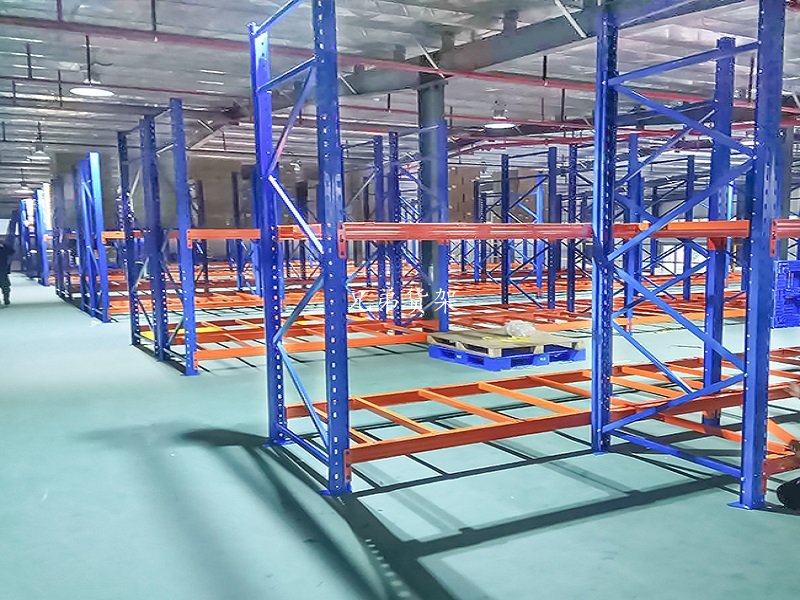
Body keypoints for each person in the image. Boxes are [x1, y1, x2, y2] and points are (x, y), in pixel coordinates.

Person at [0, 239, 13, 306]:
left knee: (5, 285)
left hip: (2, 268)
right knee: (5, 285)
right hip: (3, 268)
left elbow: (11, 252)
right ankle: (6, 298)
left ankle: (6, 298)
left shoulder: (4, 246)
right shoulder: (4, 246)